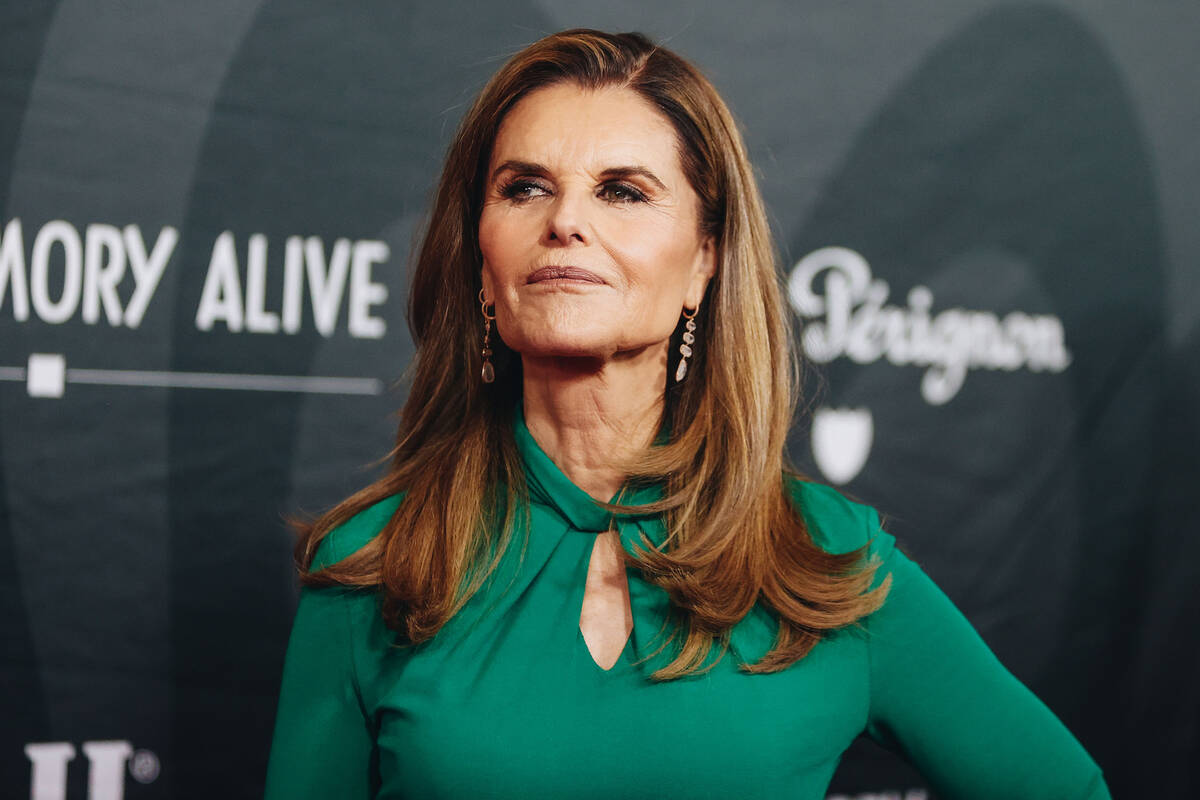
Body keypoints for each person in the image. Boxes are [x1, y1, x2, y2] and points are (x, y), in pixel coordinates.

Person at [264, 29, 1109, 799]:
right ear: (482, 259)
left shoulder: (822, 562)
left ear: (706, 258)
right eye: (524, 188)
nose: (566, 222)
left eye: (623, 192)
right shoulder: (375, 568)